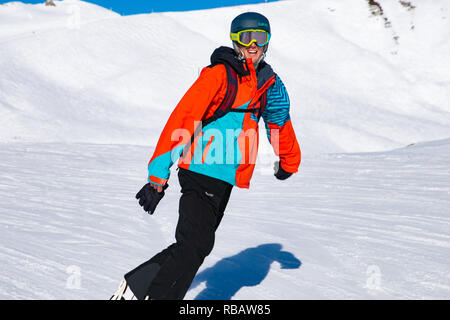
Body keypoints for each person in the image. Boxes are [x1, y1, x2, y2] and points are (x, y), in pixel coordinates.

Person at [111, 11, 301, 300]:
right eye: (246, 37)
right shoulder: (219, 75)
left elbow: (279, 121)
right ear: (235, 41)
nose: (253, 44)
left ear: (267, 42)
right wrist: (157, 176)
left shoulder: (269, 84)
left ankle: (134, 289)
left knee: (194, 245)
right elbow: (183, 119)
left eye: (259, 38)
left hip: (226, 179)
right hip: (199, 170)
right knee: (194, 245)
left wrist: (288, 161)